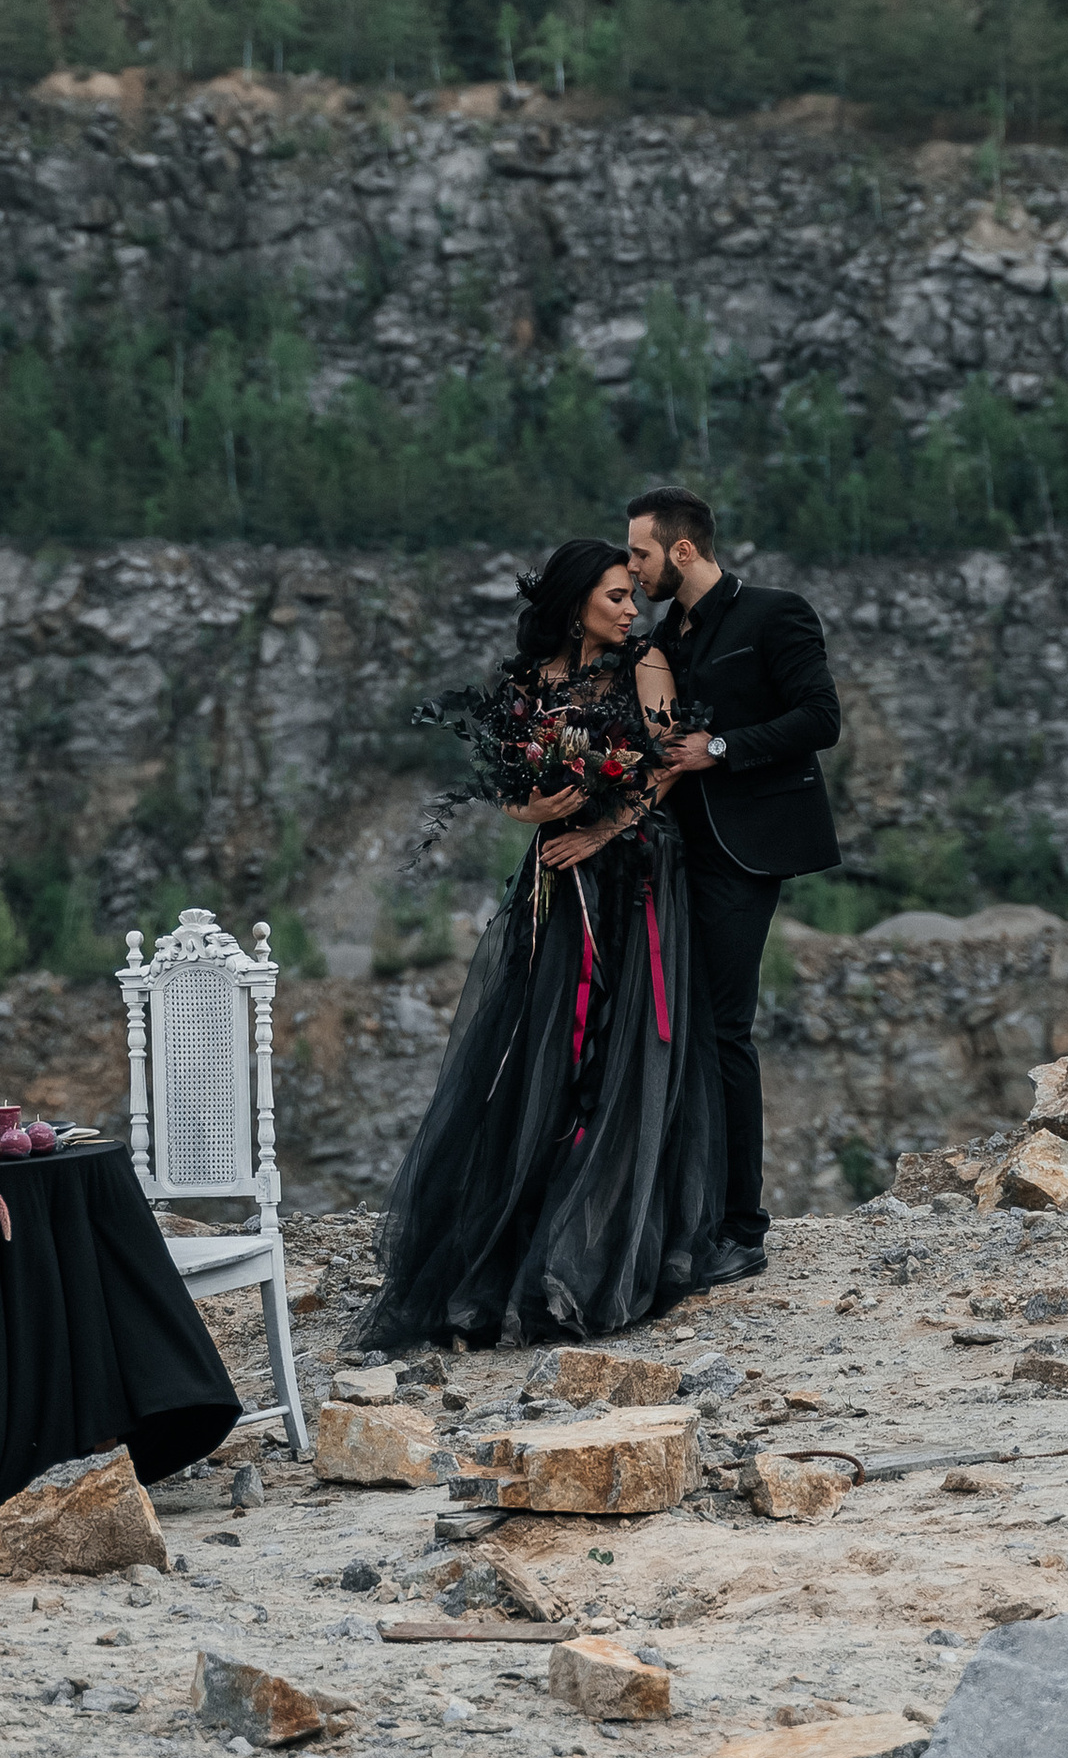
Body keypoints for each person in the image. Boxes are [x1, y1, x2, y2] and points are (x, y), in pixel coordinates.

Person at [353, 538, 714, 1352]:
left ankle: (594, 1256)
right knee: (539, 1046)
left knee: (616, 1049)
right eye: (618, 596)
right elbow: (517, 797)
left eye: (634, 595)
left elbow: (666, 766)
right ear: (577, 597)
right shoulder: (528, 683)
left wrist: (602, 829)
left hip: (634, 873)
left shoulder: (646, 664)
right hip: (557, 876)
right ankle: (520, 1247)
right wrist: (540, 814)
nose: (633, 609)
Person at [624, 483, 842, 1289]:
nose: (635, 565)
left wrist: (717, 749)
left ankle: (742, 1228)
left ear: (683, 549)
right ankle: (687, 1214)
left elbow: (821, 719)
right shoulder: (659, 635)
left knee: (723, 1031)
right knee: (676, 1031)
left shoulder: (776, 613)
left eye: (642, 552)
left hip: (747, 849)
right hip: (672, 851)